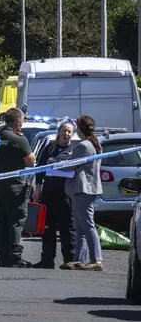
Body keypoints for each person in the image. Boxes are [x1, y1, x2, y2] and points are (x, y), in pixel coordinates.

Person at [0, 108, 36, 268]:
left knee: (1, 222)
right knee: (16, 222)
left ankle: (2, 256)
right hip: (16, 186)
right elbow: (30, 162)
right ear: (18, 122)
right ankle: (15, 256)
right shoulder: (19, 140)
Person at [60, 115, 104, 271]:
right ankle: (79, 258)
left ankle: (96, 259)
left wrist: (55, 165)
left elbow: (70, 167)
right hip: (84, 189)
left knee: (87, 225)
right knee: (80, 226)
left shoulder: (84, 146)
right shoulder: (94, 144)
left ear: (79, 129)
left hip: (82, 189)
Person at [31, 121, 77, 269]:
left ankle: (69, 259)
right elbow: (40, 168)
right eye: (64, 131)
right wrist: (37, 187)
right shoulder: (49, 147)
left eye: (69, 131)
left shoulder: (74, 149)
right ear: (59, 131)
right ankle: (47, 260)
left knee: (67, 228)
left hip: (65, 194)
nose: (66, 134)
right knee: (48, 227)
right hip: (49, 193)